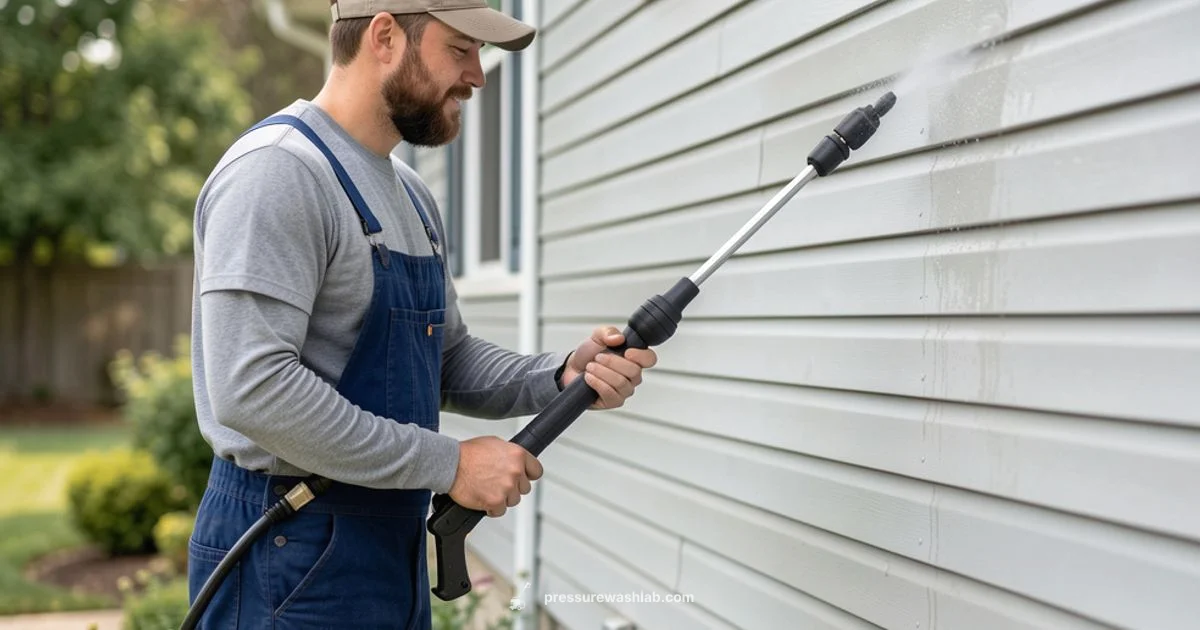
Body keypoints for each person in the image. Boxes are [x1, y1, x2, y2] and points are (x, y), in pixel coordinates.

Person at [186, 1, 658, 627]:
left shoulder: (410, 194)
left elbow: (445, 357)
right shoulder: (279, 172)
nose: (477, 77)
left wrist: (559, 375)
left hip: (387, 544)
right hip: (286, 546)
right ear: (384, 36)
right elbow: (253, 391)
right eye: (460, 49)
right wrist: (451, 464)